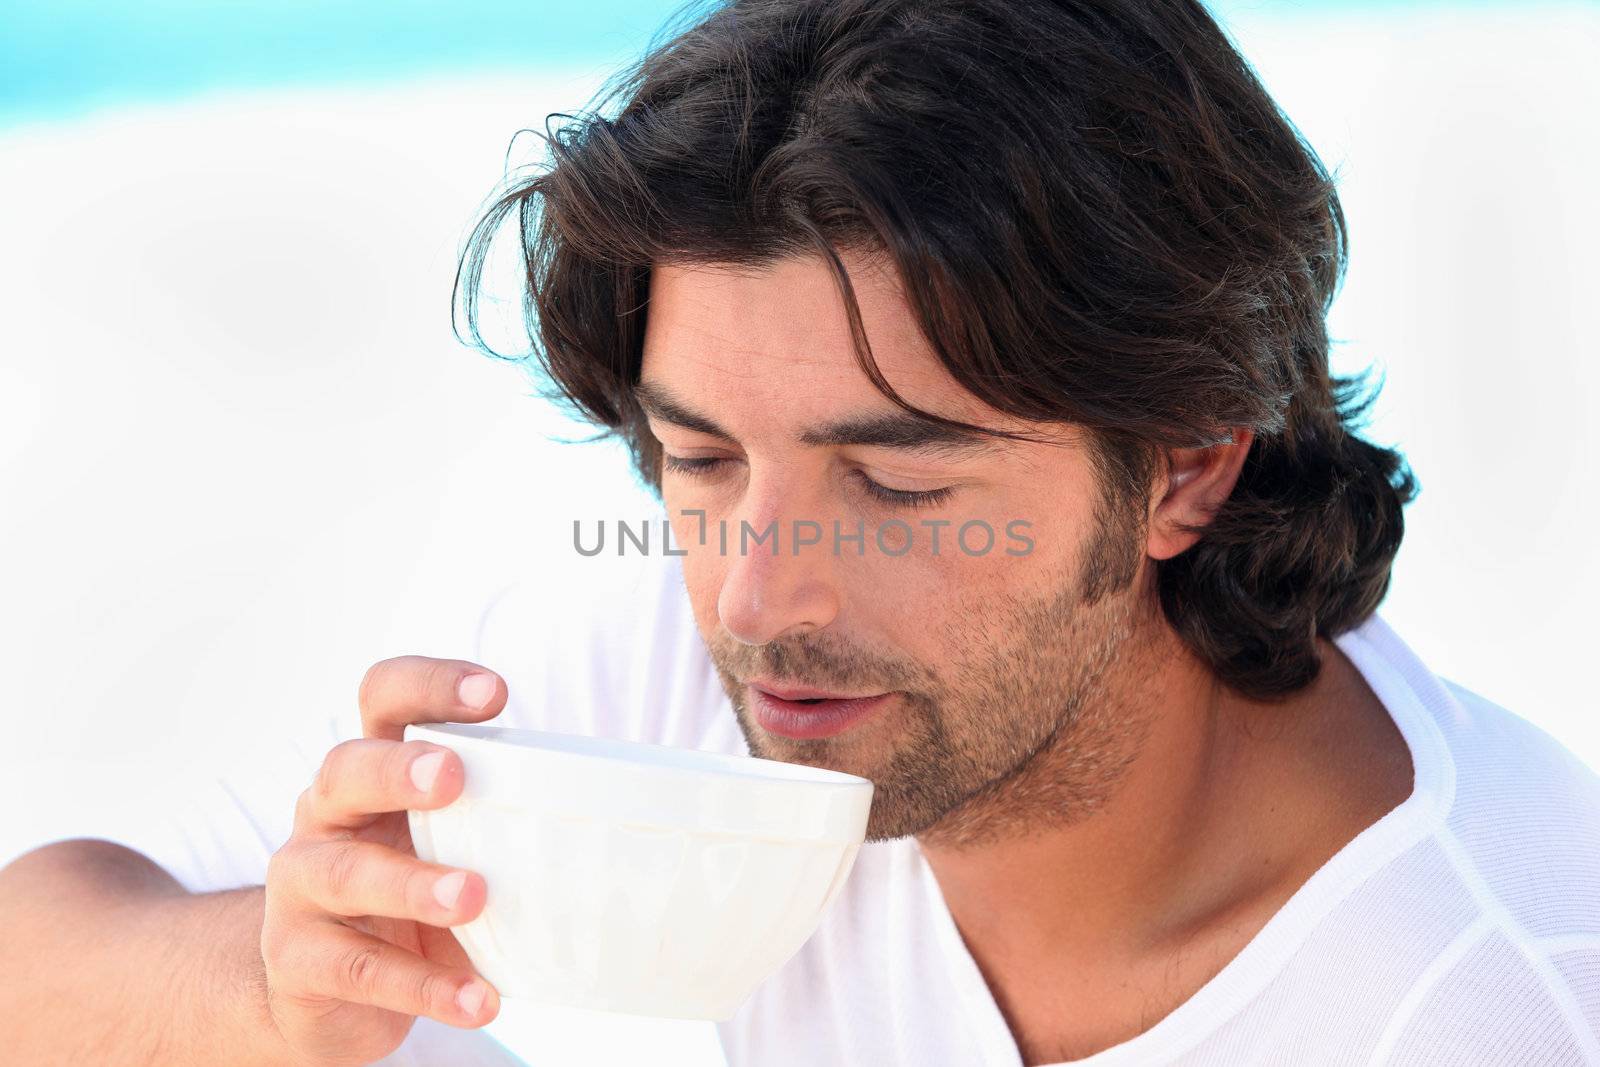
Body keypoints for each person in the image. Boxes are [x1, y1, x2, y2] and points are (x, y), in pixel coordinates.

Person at [4, 0, 1598, 1064]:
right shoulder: (664, 694)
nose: (757, 594)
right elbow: (37, 944)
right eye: (693, 459)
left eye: (899, 485)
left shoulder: (1487, 999)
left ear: (1189, 460)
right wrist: (269, 984)